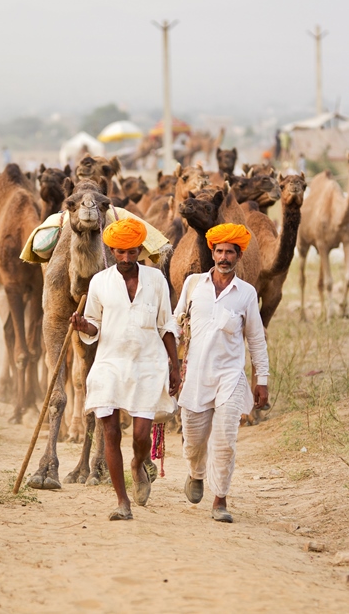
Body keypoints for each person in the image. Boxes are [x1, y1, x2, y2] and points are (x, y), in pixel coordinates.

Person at [70, 218, 180, 522]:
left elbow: (166, 325)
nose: (126, 259)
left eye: (132, 252)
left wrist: (175, 365)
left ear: (140, 250)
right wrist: (83, 325)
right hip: (110, 363)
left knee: (141, 436)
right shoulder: (100, 282)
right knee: (111, 432)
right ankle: (122, 501)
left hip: (148, 364)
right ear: (111, 250)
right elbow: (94, 325)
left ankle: (138, 463)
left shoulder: (156, 280)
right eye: (120, 252)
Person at [174, 223, 269, 523]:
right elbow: (176, 326)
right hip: (195, 377)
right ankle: (195, 473)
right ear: (212, 253)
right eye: (219, 251)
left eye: (230, 252)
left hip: (230, 377)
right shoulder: (193, 286)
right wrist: (168, 365)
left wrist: (261, 380)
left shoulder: (247, 294)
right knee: (192, 441)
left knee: (226, 440)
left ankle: (220, 500)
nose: (224, 257)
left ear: (239, 256)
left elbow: (256, 339)